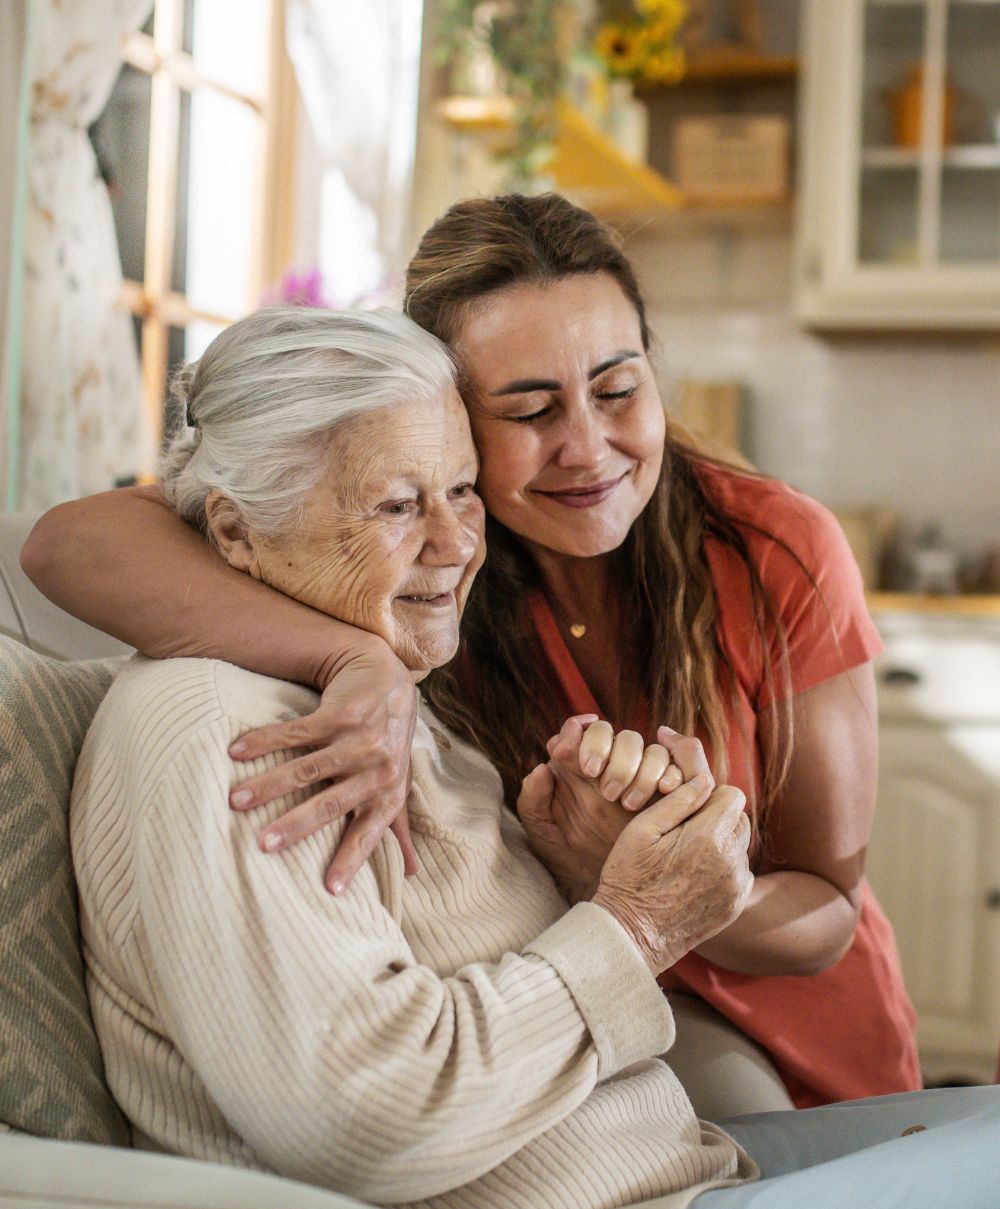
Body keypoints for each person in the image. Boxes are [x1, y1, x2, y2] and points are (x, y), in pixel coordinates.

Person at [69, 307, 1000, 1209]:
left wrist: (580, 864)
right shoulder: (227, 734)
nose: (458, 542)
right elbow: (363, 1110)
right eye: (397, 504)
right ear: (235, 529)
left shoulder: (370, 693)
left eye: (461, 492)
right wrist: (635, 918)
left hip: (648, 1204)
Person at [26, 194, 919, 1114]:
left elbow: (827, 910)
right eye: (529, 409)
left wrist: (668, 885)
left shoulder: (771, 550)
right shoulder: (428, 572)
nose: (588, 448)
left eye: (618, 391)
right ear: (448, 415)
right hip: (582, 1032)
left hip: (804, 1032)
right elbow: (66, 545)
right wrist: (354, 660)